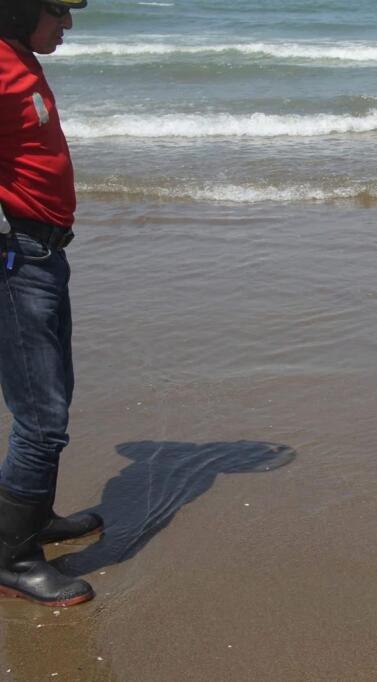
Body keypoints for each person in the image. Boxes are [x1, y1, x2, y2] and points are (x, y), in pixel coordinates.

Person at [0, 0, 100, 606]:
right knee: (43, 417)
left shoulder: (18, 59)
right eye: (58, 11)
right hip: (17, 259)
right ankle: (13, 557)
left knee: (52, 393)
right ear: (18, 12)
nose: (66, 25)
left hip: (43, 251)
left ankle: (31, 518)